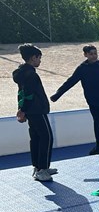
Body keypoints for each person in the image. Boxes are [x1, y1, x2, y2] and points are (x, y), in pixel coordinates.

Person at [50, 44, 99, 158]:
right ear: (85, 55)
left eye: (95, 53)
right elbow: (71, 81)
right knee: (97, 122)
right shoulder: (82, 69)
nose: (94, 56)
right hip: (92, 100)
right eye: (91, 54)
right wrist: (57, 94)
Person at [12, 43, 56, 182]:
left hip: (31, 111)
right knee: (47, 137)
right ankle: (42, 169)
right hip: (37, 110)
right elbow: (29, 95)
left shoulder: (22, 72)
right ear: (32, 58)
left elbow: (22, 93)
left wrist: (22, 108)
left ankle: (38, 167)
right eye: (39, 58)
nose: (40, 61)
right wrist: (23, 110)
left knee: (36, 138)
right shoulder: (31, 75)